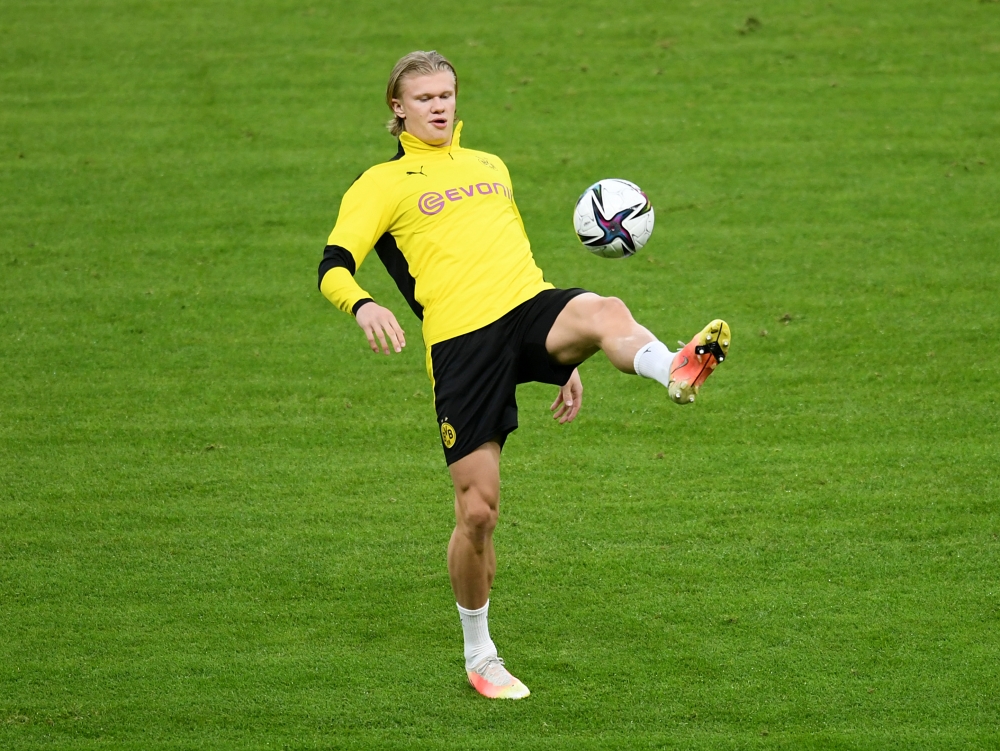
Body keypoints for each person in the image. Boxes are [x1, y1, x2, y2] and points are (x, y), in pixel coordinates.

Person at [318, 50, 730, 700]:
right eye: (424, 98)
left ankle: (674, 368)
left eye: (446, 94)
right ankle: (479, 653)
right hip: (463, 345)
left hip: (528, 306)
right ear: (397, 108)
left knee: (605, 311)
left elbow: (511, 255)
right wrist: (363, 304)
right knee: (478, 512)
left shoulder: (490, 166)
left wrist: (563, 357)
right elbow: (333, 264)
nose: (438, 106)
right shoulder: (380, 183)